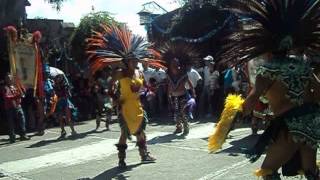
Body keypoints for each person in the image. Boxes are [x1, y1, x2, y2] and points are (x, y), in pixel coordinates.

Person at [218, 0, 320, 179]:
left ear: (267, 50)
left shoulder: (267, 71)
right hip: (311, 124)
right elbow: (318, 93)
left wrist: (232, 113)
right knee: (310, 170)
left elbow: (252, 101)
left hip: (291, 127)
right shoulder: (303, 67)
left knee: (268, 171)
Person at [86, 24, 158, 168]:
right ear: (126, 61)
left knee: (140, 131)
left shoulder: (139, 72)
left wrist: (149, 91)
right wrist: (114, 97)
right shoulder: (120, 73)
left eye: (136, 60)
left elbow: (143, 87)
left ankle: (144, 155)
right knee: (125, 133)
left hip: (137, 106)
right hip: (125, 106)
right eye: (133, 60)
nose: (135, 61)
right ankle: (121, 159)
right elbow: (109, 85)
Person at [153, 43, 198, 135]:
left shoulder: (183, 75)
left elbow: (190, 84)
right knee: (176, 113)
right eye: (172, 64)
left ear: (178, 65)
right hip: (174, 97)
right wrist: (169, 96)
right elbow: (169, 86)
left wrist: (193, 93)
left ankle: (186, 127)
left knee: (183, 112)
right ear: (170, 65)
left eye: (176, 64)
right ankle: (178, 127)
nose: (174, 66)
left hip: (183, 96)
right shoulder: (168, 75)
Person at [1, 74, 30, 143]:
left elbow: (21, 92)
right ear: (6, 80)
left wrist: (23, 89)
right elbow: (6, 97)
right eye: (8, 78)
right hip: (10, 107)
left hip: (18, 106)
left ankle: (23, 135)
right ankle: (12, 137)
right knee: (11, 123)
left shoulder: (15, 86)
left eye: (10, 78)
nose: (10, 79)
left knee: (22, 121)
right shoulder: (5, 88)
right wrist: (16, 96)